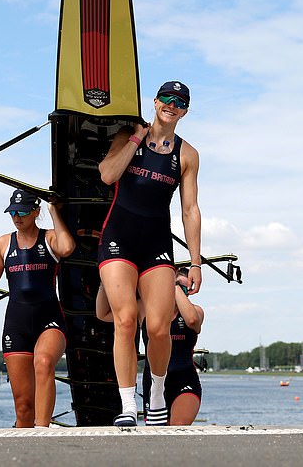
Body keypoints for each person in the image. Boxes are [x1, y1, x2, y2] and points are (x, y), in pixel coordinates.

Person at [98, 81, 202, 426]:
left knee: (158, 328)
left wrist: (196, 262)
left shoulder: (187, 155)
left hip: (157, 243)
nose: (172, 105)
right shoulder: (129, 134)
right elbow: (108, 174)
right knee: (126, 320)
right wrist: (135, 138)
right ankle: (127, 404)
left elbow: (190, 210)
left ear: (185, 111)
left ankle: (156, 392)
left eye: (180, 102)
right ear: (155, 101)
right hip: (118, 239)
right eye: (167, 98)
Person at [0, 189, 75, 428]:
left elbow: (67, 248)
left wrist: (54, 211)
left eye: (22, 211)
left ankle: (43, 432)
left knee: (43, 363)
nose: (16, 216)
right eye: (12, 212)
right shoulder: (3, 243)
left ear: (36, 211)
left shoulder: (50, 238)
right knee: (23, 408)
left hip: (49, 320)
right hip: (17, 324)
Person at [96, 267, 204, 426]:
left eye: (182, 287)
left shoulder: (195, 311)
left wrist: (172, 286)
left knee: (178, 425)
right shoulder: (144, 309)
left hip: (184, 379)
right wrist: (105, 283)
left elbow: (192, 320)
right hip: (152, 382)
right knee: (156, 431)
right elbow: (102, 314)